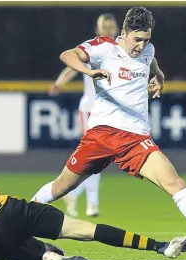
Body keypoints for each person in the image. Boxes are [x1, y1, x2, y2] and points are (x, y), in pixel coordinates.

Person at [31, 7, 186, 243]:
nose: (141, 46)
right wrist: (89, 71)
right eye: (137, 40)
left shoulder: (147, 50)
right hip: (101, 135)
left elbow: (150, 60)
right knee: (61, 187)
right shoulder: (103, 48)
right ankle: (21, 217)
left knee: (174, 182)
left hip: (135, 139)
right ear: (123, 33)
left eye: (146, 40)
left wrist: (159, 75)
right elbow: (67, 55)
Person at [0, 126, 186, 260]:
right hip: (7, 213)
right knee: (86, 230)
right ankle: (159, 246)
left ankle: (49, 258)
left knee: (45, 252)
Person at [48, 13, 118, 218]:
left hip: (109, 112)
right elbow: (72, 67)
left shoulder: (120, 51)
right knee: (96, 153)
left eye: (111, 26)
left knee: (102, 156)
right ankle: (92, 203)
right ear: (97, 29)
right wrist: (59, 84)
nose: (107, 30)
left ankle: (74, 192)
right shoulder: (93, 49)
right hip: (90, 110)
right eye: (104, 26)